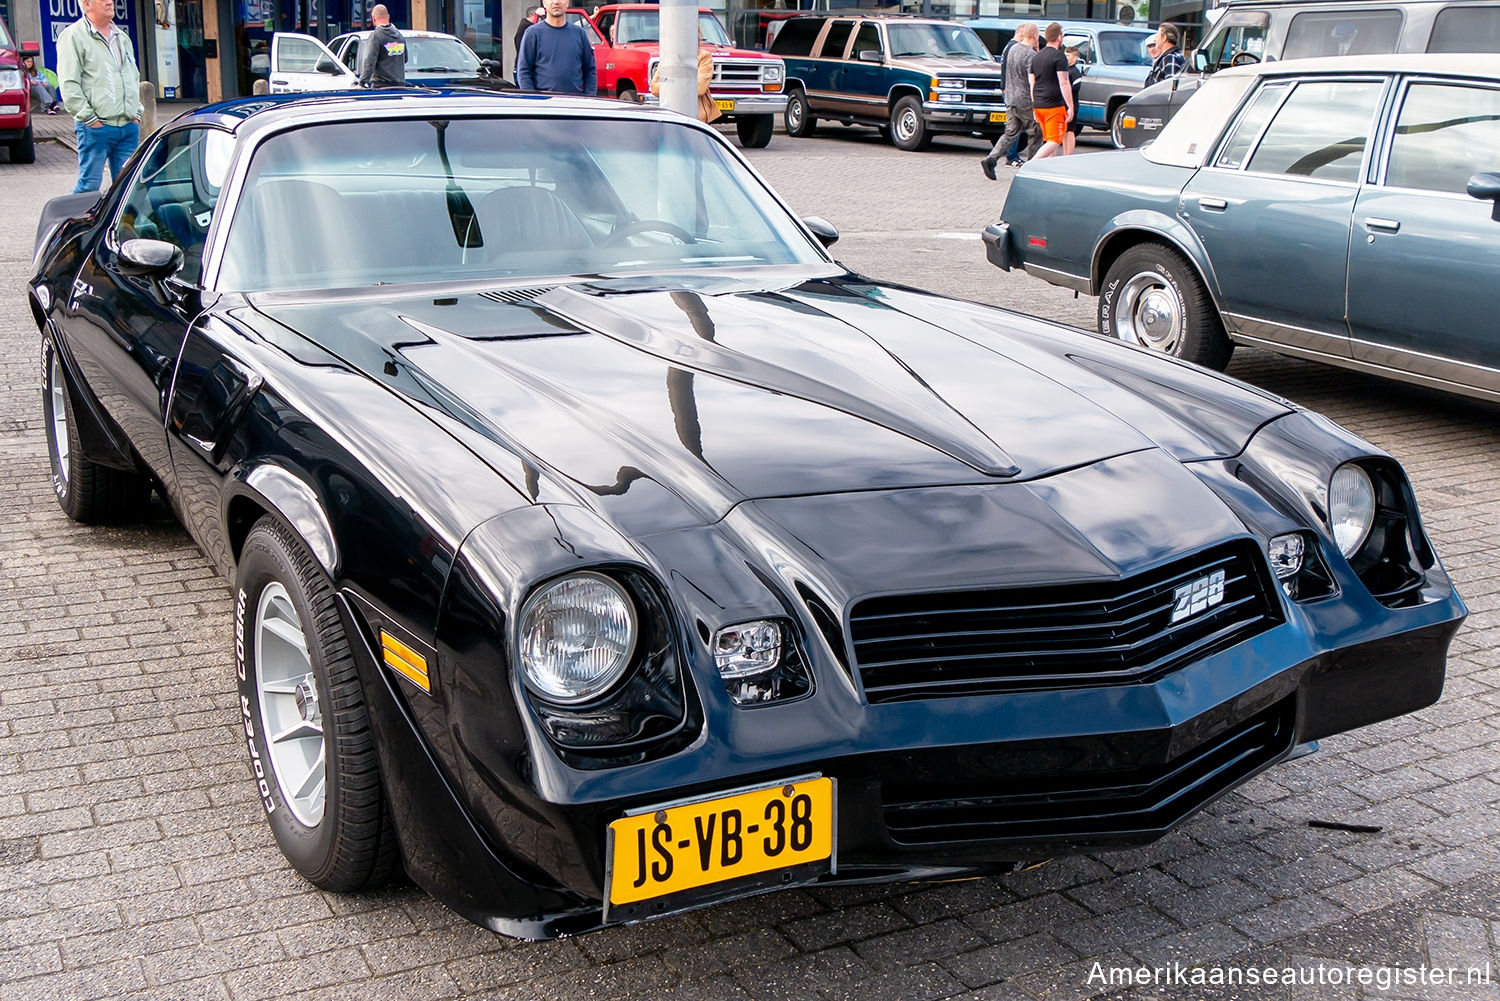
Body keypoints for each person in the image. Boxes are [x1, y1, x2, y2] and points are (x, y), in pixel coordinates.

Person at [56, 0, 143, 194]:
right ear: (87, 4)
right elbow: (69, 84)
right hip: (96, 128)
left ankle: (123, 225)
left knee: (129, 190)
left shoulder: (122, 37)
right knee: (89, 187)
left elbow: (133, 75)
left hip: (128, 127)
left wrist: (136, 113)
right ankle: (74, 224)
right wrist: (89, 119)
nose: (110, 2)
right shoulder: (73, 36)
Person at [980, 22, 1040, 178]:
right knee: (1036, 133)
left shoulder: (1012, 49)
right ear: (1035, 36)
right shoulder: (1031, 55)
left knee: (1010, 133)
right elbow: (1032, 80)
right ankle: (1031, 168)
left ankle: (991, 158)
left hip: (1010, 98)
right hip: (1025, 99)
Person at [517, 0, 596, 95]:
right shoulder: (532, 34)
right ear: (544, 3)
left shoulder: (580, 34)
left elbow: (590, 70)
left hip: (574, 103)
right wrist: (533, 99)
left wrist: (588, 98)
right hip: (544, 104)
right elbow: (524, 71)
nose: (556, 2)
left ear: (568, 2)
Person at [1027, 22, 1073, 161]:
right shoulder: (1059, 57)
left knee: (1048, 140)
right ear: (1059, 37)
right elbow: (1064, 82)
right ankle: (1031, 164)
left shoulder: (1036, 57)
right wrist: (1070, 106)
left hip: (1039, 105)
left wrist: (1034, 105)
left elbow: (1032, 83)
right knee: (1055, 140)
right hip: (1054, 105)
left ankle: (1049, 168)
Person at [649, 31, 718, 123]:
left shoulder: (703, 56)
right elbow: (654, 88)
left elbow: (700, 88)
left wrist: (669, 84)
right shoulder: (667, 58)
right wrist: (683, 84)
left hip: (697, 118)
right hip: (671, 115)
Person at [358, 4, 407, 87]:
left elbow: (369, 62)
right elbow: (405, 59)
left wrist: (362, 83)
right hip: (399, 86)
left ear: (373, 18)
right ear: (388, 16)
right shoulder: (400, 36)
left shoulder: (376, 36)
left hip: (381, 87)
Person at [1063, 45, 1084, 155]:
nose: (1065, 58)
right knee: (1063, 131)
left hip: (1072, 105)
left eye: (1068, 56)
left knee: (1070, 130)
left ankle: (1068, 154)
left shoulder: (1075, 72)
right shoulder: (1063, 70)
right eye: (1064, 55)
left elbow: (1075, 88)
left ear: (1075, 58)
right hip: (1062, 105)